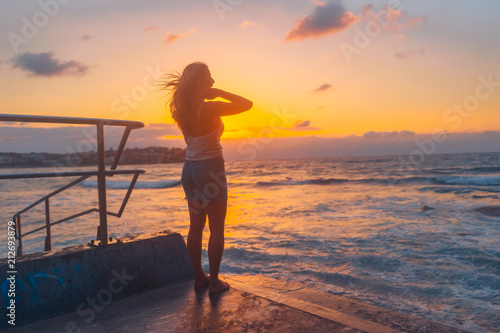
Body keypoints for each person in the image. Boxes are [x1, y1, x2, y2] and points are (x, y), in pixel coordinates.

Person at [160, 62, 253, 294]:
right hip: (210, 168)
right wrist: (219, 94)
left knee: (195, 228)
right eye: (209, 77)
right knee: (217, 229)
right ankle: (214, 283)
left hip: (189, 170)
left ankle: (199, 277)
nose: (212, 82)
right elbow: (247, 104)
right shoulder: (210, 108)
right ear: (198, 81)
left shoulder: (180, 110)